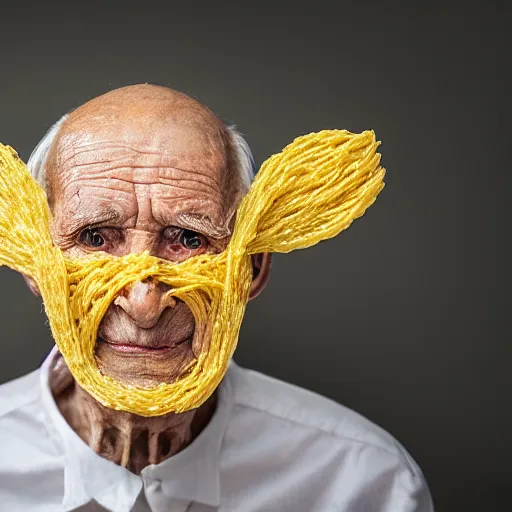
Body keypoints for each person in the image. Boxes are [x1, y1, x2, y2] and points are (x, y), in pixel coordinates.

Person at [0, 84, 434, 511]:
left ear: (252, 269)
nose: (144, 305)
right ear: (34, 260)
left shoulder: (367, 483)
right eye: (95, 237)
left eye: (189, 238)